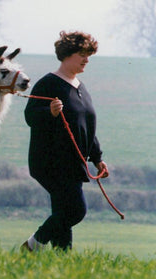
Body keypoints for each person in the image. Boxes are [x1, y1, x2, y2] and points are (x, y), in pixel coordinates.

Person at [21, 31, 110, 251]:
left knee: (63, 210)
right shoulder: (48, 83)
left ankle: (62, 259)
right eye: (82, 54)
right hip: (51, 162)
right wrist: (49, 112)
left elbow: (86, 126)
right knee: (75, 210)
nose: (87, 59)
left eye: (89, 54)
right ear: (67, 54)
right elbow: (30, 116)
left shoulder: (81, 87)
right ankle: (33, 245)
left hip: (72, 163)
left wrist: (97, 158)